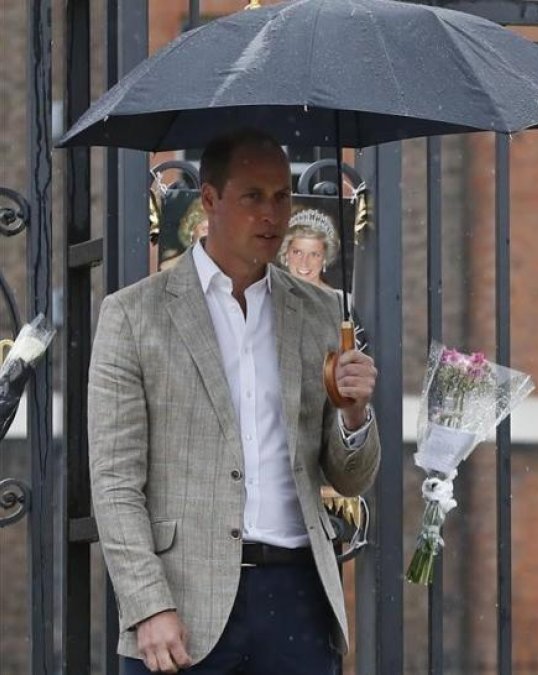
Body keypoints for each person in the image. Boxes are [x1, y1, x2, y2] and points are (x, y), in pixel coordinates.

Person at [89, 129, 381, 674]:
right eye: (253, 197)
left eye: (282, 197)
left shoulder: (320, 311)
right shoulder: (134, 314)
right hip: (183, 603)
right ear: (209, 200)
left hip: (298, 598)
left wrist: (354, 412)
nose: (273, 214)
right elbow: (114, 481)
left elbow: (350, 480)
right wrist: (148, 604)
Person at [280, 209, 368, 351]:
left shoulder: (343, 303)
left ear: (325, 259)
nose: (304, 262)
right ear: (286, 255)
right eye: (297, 252)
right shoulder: (269, 297)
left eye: (314, 254)